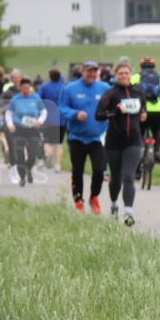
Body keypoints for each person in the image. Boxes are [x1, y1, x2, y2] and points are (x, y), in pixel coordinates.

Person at [97, 62, 148, 226]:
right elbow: (98, 115)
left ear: (131, 74)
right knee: (116, 177)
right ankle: (113, 204)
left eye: (126, 73)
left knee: (128, 176)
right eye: (120, 73)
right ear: (115, 75)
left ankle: (128, 212)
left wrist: (144, 115)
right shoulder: (110, 94)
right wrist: (116, 112)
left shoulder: (139, 92)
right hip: (114, 141)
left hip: (133, 140)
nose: (124, 76)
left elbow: (143, 110)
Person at [59, 61, 109, 213]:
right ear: (83, 71)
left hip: (97, 137)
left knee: (100, 170)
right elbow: (62, 108)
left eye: (95, 72)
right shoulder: (70, 88)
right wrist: (75, 114)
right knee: (77, 171)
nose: (92, 74)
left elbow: (113, 105)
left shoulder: (104, 88)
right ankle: (78, 200)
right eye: (89, 71)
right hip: (77, 137)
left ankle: (94, 196)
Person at [5, 77, 46, 187]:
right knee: (19, 154)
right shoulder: (15, 99)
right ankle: (22, 176)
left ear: (30, 87)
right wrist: (10, 124)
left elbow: (43, 112)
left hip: (32, 129)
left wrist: (40, 121)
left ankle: (28, 169)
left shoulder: (36, 98)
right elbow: (8, 113)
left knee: (33, 153)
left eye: (27, 87)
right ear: (20, 88)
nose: (25, 90)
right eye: (23, 88)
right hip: (19, 130)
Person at [131, 57, 160, 163]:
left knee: (139, 134)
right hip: (156, 110)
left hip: (141, 110)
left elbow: (130, 93)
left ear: (141, 67)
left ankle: (137, 163)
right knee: (157, 131)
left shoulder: (136, 77)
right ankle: (157, 151)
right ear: (154, 67)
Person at [38, 69, 67, 170]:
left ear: (50, 76)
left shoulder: (44, 87)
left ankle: (48, 155)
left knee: (47, 142)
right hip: (61, 118)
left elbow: (38, 100)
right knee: (59, 143)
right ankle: (58, 165)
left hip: (48, 118)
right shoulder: (64, 87)